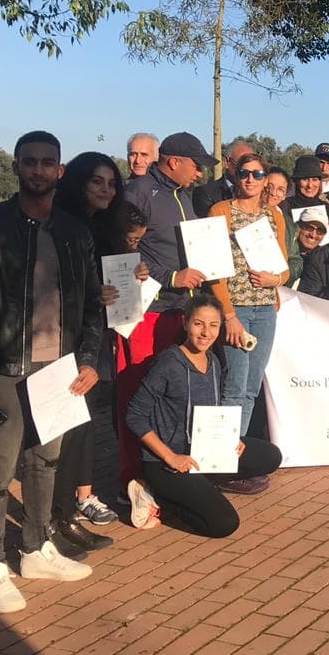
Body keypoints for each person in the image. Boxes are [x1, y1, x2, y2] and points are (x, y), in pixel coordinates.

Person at [0, 131, 101, 613]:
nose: (38, 170)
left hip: (60, 369)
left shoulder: (76, 232)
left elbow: (94, 304)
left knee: (45, 463)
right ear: (15, 167)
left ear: (60, 171)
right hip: (5, 370)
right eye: (29, 161)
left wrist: (91, 359)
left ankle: (36, 549)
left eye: (47, 163)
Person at [125, 294, 283, 538]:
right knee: (224, 524)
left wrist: (231, 438)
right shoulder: (168, 363)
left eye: (213, 325)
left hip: (202, 451)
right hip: (166, 461)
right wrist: (171, 457)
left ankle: (201, 485)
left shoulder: (214, 361)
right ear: (186, 323)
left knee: (270, 456)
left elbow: (214, 410)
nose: (205, 333)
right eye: (198, 324)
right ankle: (155, 495)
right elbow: (134, 415)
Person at [118, 132, 217, 495]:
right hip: (146, 311)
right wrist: (171, 277)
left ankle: (167, 471)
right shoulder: (139, 192)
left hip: (180, 310)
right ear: (174, 161)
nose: (200, 174)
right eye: (196, 166)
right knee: (138, 393)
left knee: (171, 396)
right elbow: (122, 249)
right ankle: (131, 479)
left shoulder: (184, 196)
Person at [51, 152, 139, 554]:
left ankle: (75, 500)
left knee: (85, 420)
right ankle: (58, 512)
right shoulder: (60, 224)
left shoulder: (109, 226)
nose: (106, 190)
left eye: (111, 183)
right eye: (96, 182)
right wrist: (91, 295)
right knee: (67, 423)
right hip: (60, 338)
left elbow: (111, 277)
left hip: (96, 335)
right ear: (79, 182)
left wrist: (131, 275)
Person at [207, 152, 292, 497]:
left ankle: (234, 456)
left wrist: (277, 278)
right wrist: (227, 314)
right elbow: (212, 268)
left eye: (258, 175)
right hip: (237, 311)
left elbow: (286, 267)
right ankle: (223, 464)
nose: (251, 180)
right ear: (235, 175)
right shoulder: (220, 212)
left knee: (251, 388)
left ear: (265, 179)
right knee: (234, 386)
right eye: (244, 173)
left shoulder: (275, 215)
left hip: (265, 311)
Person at [192, 139, 252, 215]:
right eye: (242, 164)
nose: (247, 171)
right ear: (226, 162)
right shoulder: (206, 193)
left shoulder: (258, 192)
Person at [285, 154, 329, 239]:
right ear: (297, 181)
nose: (310, 185)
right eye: (305, 179)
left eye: (314, 180)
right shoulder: (284, 207)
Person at [287, 209, 328, 288]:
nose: (313, 235)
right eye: (309, 228)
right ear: (298, 226)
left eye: (320, 231)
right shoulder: (285, 249)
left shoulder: (323, 259)